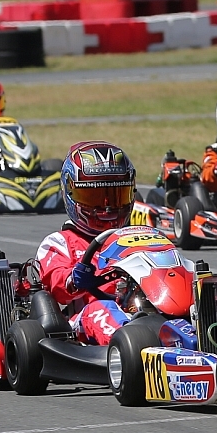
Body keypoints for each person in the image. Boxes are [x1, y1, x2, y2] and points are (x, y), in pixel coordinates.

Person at [35, 141, 140, 345]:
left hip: (141, 309)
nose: (107, 208)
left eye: (116, 197)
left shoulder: (138, 238)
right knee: (101, 309)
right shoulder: (59, 242)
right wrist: (73, 280)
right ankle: (131, 345)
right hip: (87, 319)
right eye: (95, 198)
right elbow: (56, 284)